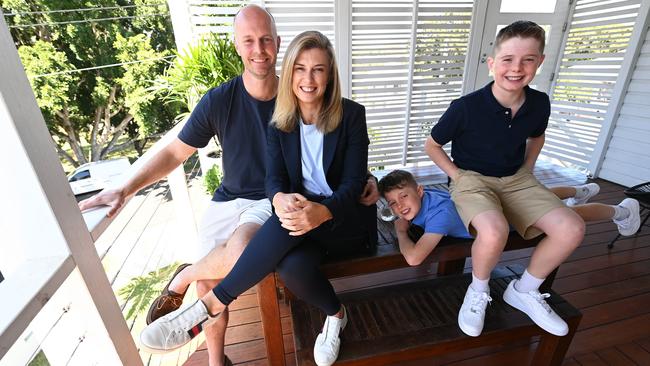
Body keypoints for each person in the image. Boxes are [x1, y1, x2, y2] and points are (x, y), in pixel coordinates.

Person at [79, 7, 378, 366]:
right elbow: (185, 153)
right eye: (249, 40)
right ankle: (230, 351)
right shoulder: (263, 111)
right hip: (269, 207)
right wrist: (125, 189)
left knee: (253, 245)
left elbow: (347, 172)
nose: (259, 49)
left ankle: (206, 302)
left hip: (312, 216)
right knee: (276, 267)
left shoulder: (327, 105)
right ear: (237, 45)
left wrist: (353, 189)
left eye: (266, 39)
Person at [425, 20, 602, 338]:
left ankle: (523, 289)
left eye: (528, 59)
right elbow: (432, 145)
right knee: (493, 232)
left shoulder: (539, 103)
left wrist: (528, 167)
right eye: (508, 59)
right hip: (472, 179)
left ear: (540, 62)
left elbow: (537, 136)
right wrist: (456, 175)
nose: (517, 68)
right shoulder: (465, 108)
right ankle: (478, 291)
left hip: (516, 179)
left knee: (572, 227)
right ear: (493, 64)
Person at [378, 170, 641, 267]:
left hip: (510, 223)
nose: (399, 206)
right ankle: (579, 190)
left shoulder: (439, 217)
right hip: (496, 202)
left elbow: (414, 259)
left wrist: (402, 231)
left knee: (571, 216)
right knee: (542, 195)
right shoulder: (430, 196)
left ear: (420, 191)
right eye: (392, 202)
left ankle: (623, 210)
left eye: (404, 197)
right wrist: (407, 213)